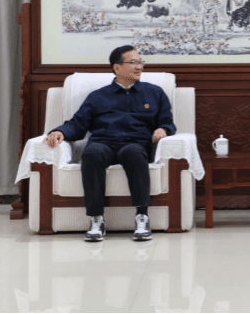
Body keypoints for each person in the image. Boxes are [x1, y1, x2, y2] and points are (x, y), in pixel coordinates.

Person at [44, 45, 176, 242]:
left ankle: (142, 216)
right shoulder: (98, 96)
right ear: (117, 67)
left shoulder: (155, 93)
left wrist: (163, 129)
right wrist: (59, 131)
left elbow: (167, 122)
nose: (139, 67)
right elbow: (77, 124)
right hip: (103, 142)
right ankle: (96, 219)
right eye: (133, 62)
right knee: (92, 154)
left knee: (134, 153)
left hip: (135, 143)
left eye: (140, 62)